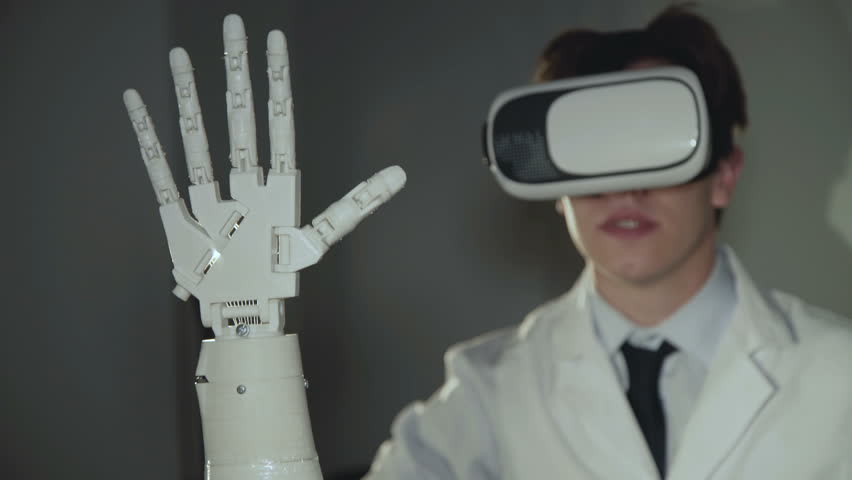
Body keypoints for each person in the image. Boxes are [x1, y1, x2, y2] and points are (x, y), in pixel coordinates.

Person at [363, 5, 852, 479]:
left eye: (655, 145)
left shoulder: (838, 376)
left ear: (724, 174)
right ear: (556, 186)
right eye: (595, 152)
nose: (623, 189)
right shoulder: (488, 392)